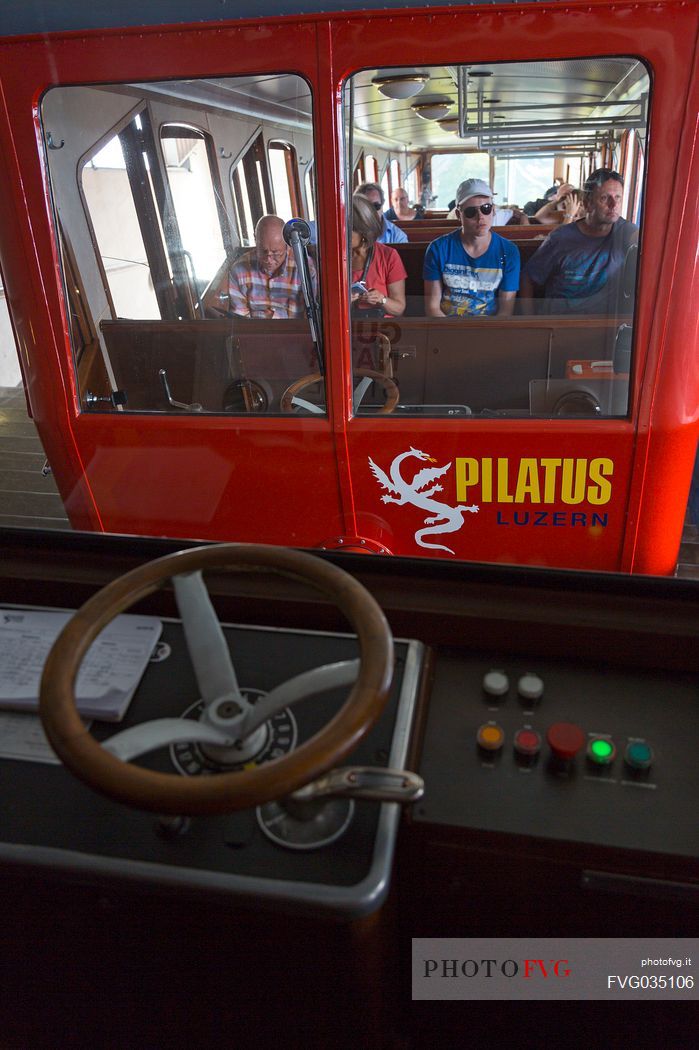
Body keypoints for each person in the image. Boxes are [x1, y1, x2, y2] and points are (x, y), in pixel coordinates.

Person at [520, 169, 638, 314]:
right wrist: (531, 327)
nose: (614, 205)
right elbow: (528, 278)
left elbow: (644, 243)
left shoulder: (626, 232)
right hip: (557, 326)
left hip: (602, 328)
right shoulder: (561, 238)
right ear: (587, 204)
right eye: (604, 198)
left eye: (618, 197)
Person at [423, 178, 520, 317]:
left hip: (490, 330)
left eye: (486, 209)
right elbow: (432, 307)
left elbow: (505, 311)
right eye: (470, 212)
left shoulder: (509, 251)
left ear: (493, 211)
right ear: (458, 215)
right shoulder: (438, 249)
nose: (480, 217)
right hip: (446, 328)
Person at [227, 214, 315, 318]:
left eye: (276, 253)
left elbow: (311, 316)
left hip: (294, 331)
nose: (268, 260)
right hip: (254, 332)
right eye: (263, 252)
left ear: (286, 244)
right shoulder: (239, 270)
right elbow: (240, 319)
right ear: (256, 240)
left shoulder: (305, 269)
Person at [351, 194, 406, 317]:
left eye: (348, 229)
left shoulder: (388, 256)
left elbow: (399, 309)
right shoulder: (334, 258)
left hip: (382, 330)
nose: (341, 234)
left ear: (363, 230)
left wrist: (382, 299)